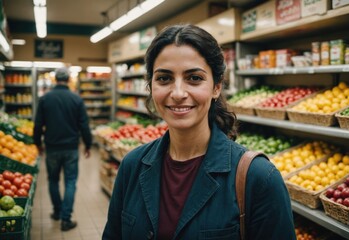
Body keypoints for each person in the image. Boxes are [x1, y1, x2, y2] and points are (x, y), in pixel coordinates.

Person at [102, 24, 296, 240]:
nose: (177, 93)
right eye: (164, 78)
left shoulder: (259, 178)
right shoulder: (132, 166)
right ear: (150, 86)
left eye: (194, 78)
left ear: (216, 87)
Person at [33, 67, 92, 231]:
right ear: (68, 80)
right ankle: (66, 219)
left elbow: (38, 125)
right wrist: (88, 144)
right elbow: (84, 125)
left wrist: (37, 143)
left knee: (53, 180)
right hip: (71, 147)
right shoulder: (76, 99)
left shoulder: (45, 99)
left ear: (55, 80)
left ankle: (57, 212)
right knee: (71, 181)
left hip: (52, 147)